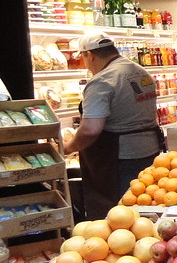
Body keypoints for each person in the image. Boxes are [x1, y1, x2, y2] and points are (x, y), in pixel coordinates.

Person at [64, 32, 162, 219]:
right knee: (144, 206)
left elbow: (91, 129)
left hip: (117, 160)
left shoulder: (102, 80)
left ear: (89, 55)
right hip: (150, 151)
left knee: (119, 214)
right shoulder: (140, 71)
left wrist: (68, 148)